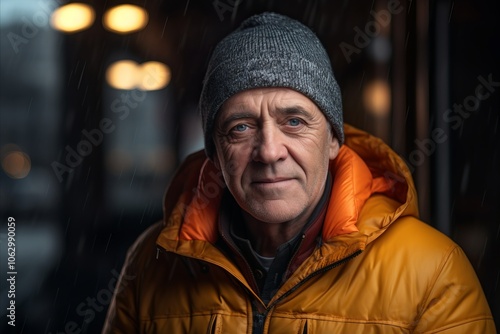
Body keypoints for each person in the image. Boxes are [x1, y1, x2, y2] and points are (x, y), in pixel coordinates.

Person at [103, 12, 496, 333]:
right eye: (241, 127)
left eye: (293, 121)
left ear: (332, 142)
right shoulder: (151, 264)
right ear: (215, 156)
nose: (270, 152)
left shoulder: (433, 272)